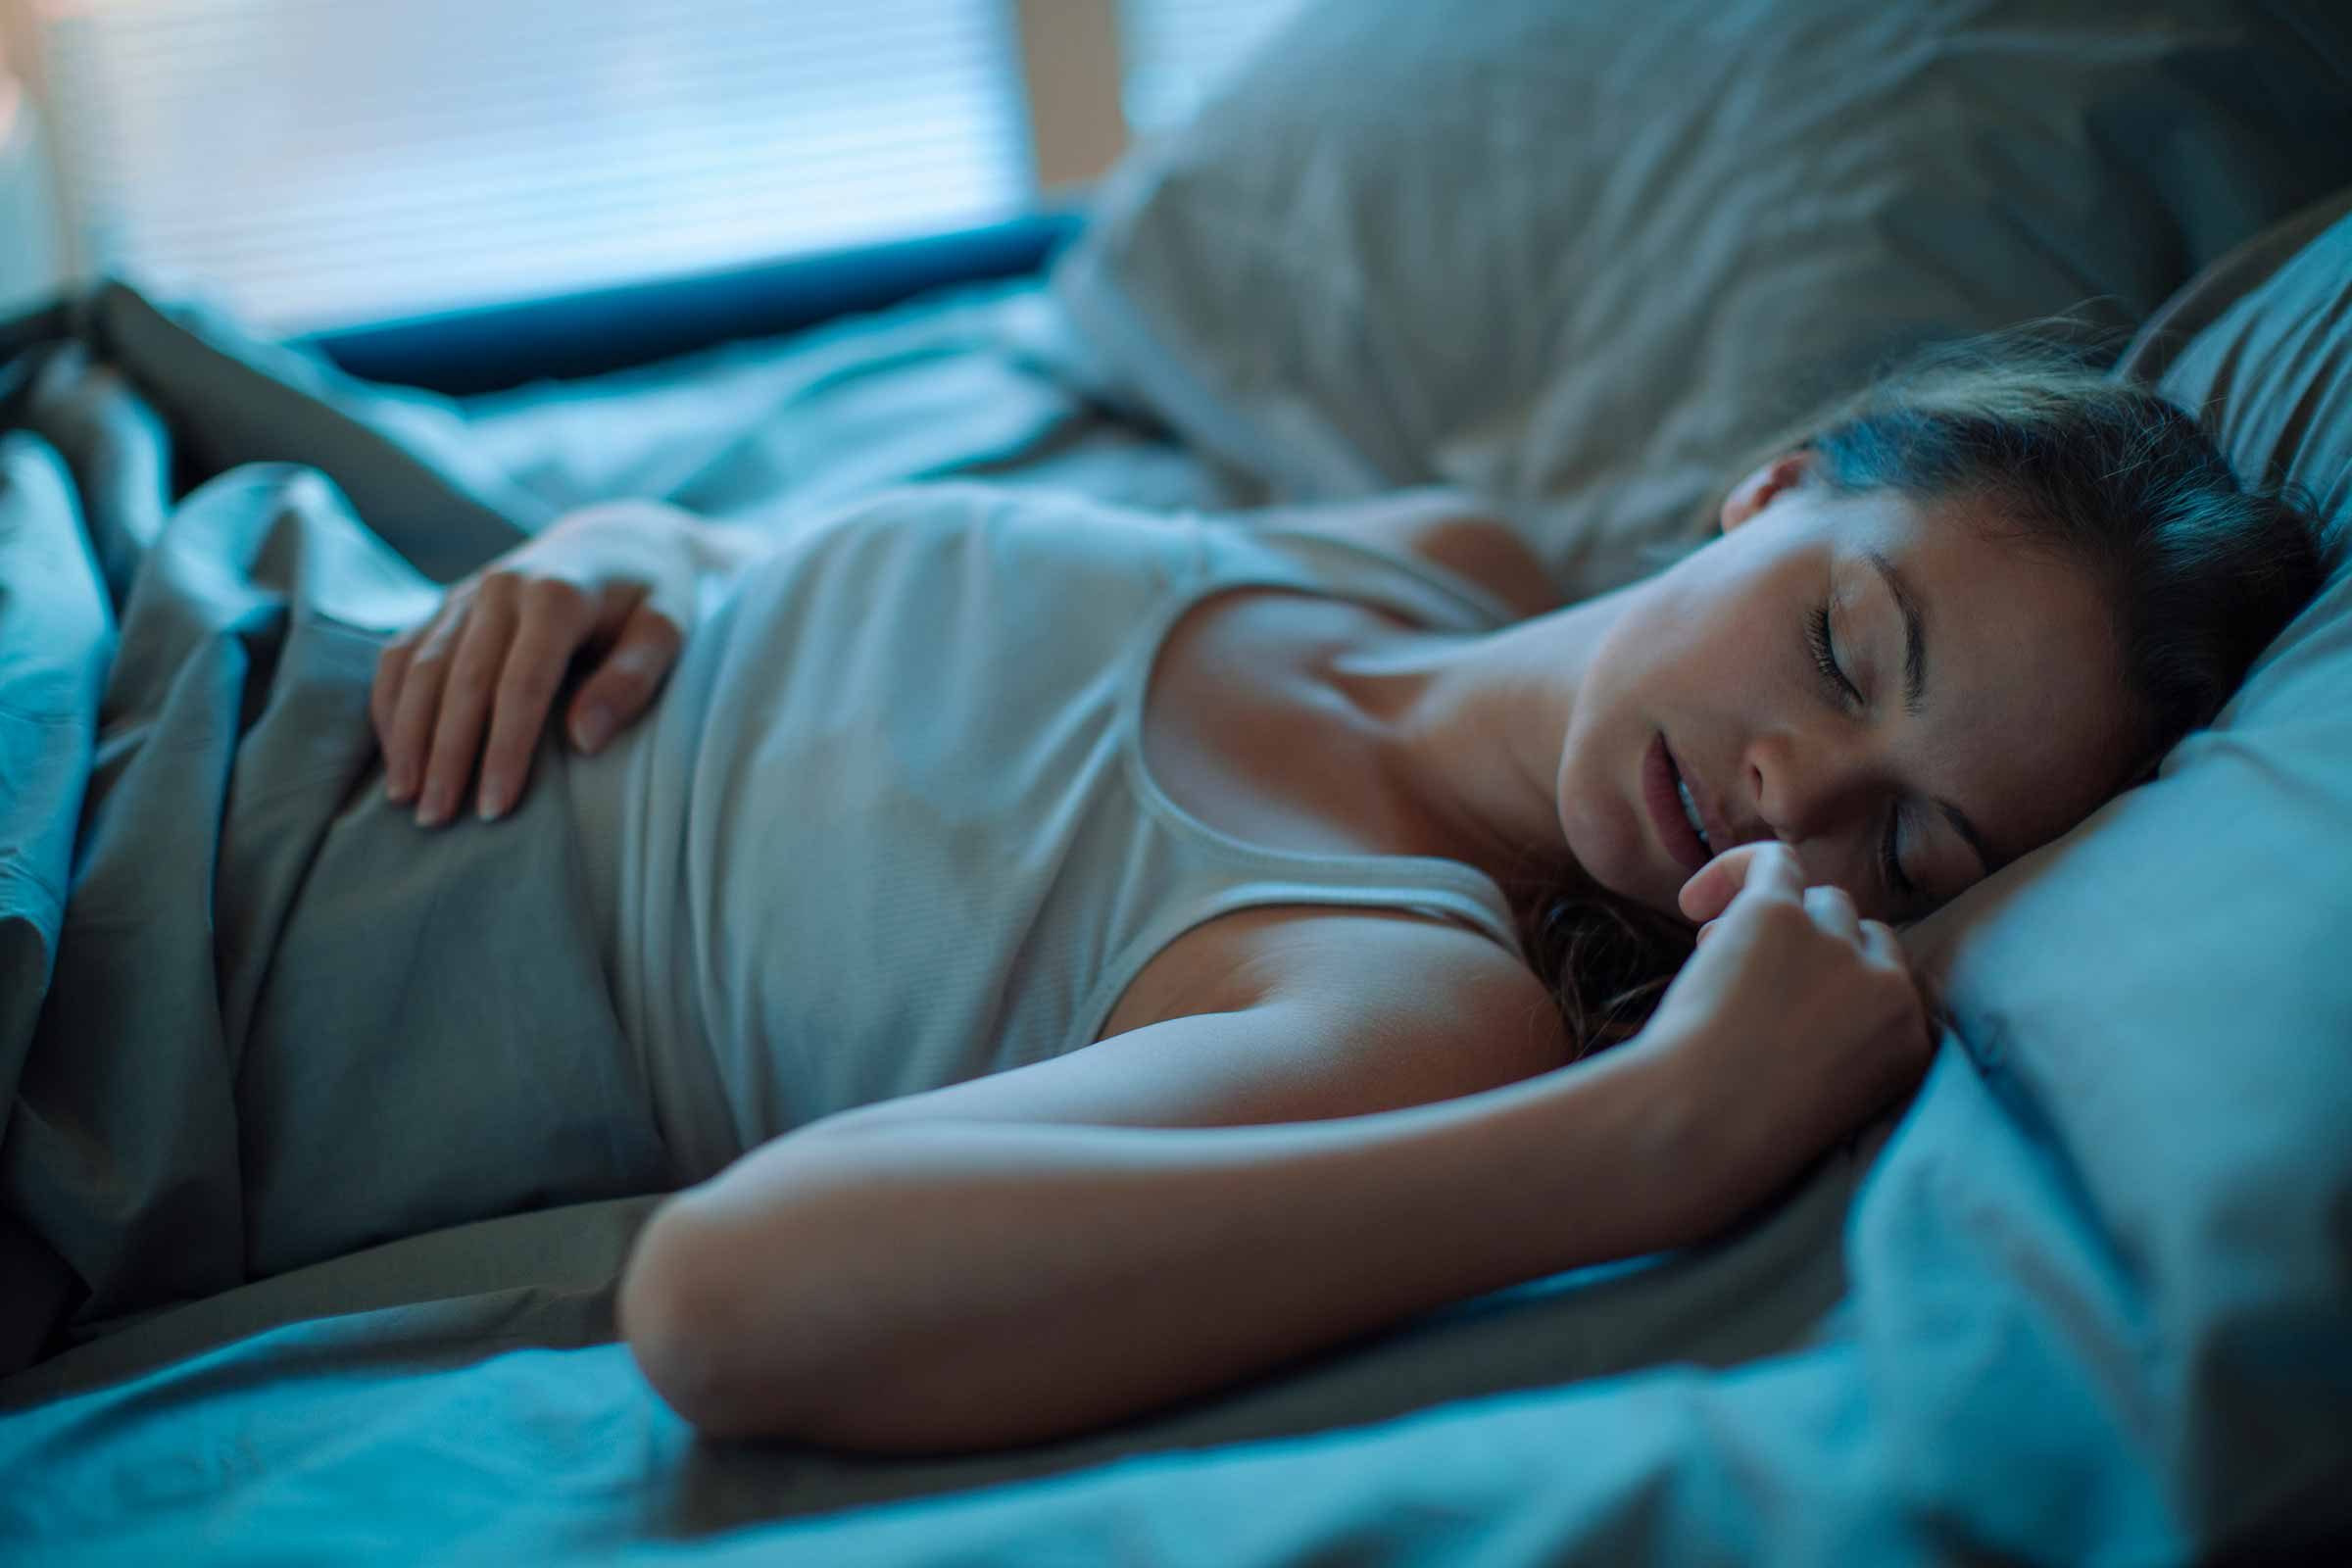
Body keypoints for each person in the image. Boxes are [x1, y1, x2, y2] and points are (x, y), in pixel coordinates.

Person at [368, 329, 2323, 1454]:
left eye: (1903, 851)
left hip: (264, 955)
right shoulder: (1437, 559)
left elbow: (727, 1299)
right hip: (303, 634)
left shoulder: (1412, 1002)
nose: (1799, 793)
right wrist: (642, 542)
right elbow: (857, 612)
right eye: (1840, 647)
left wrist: (1659, 1135)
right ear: (1770, 488)